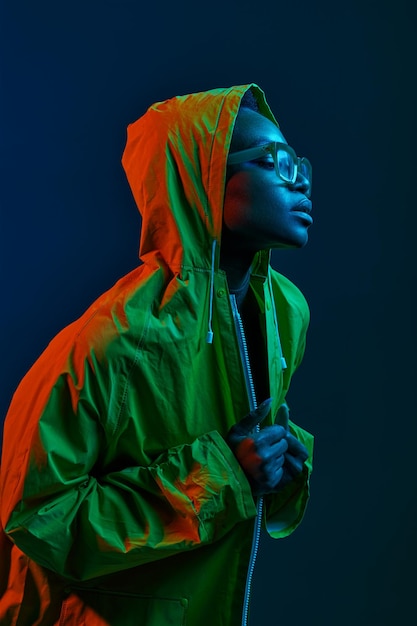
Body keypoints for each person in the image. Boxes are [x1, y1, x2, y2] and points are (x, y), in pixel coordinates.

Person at [0, 83, 314, 626]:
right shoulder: (113, 342)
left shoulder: (285, 312)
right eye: (274, 162)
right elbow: (35, 515)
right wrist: (221, 478)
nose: (302, 181)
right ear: (204, 177)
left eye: (300, 162)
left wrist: (281, 463)